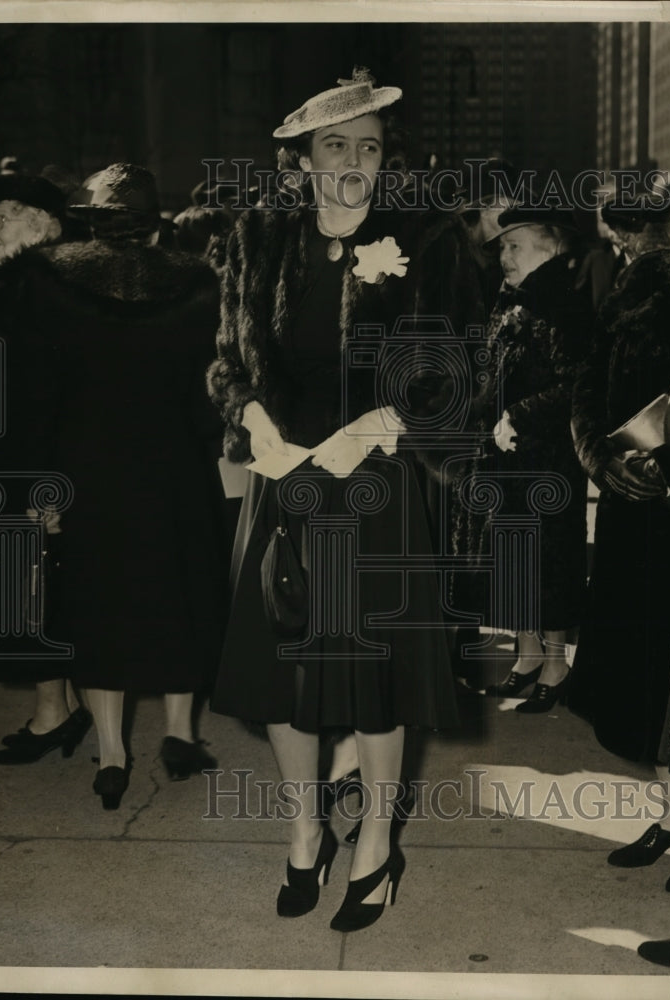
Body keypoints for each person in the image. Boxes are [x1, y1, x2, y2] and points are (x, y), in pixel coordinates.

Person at [207, 68, 473, 931]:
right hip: (282, 475)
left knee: (371, 671)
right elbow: (228, 353)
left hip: (377, 479)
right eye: (335, 147)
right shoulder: (257, 233)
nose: (353, 162)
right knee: (283, 671)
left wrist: (381, 422)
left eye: (367, 148)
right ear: (302, 160)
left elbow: (455, 360)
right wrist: (252, 422)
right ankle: (304, 832)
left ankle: (376, 845)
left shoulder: (425, 238)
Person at [0, 163, 227, 806]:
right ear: (153, 222)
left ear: (86, 219)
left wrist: (33, 488)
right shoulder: (201, 283)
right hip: (176, 472)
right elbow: (214, 390)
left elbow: (29, 399)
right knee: (179, 600)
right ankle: (180, 735)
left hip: (85, 470)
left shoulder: (42, 282)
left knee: (94, 607)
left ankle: (111, 754)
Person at [0, 173, 93, 762]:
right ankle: (60, 708)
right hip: (12, 465)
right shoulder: (21, 282)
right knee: (35, 590)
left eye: (3, 215)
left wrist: (46, 487)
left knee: (34, 592)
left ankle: (54, 713)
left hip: (28, 471)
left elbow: (53, 395)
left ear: (44, 223)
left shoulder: (40, 286)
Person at [444, 206, 593, 711]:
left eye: (516, 246)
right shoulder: (509, 301)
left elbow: (577, 384)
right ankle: (527, 657)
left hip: (545, 460)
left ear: (551, 248)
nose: (504, 255)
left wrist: (520, 416)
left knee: (547, 568)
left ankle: (555, 663)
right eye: (502, 246)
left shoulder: (565, 306)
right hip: (505, 460)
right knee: (515, 565)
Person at [568, 184, 670, 765]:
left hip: (665, 497)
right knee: (649, 661)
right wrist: (603, 458)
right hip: (632, 490)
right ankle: (669, 806)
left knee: (663, 660)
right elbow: (587, 386)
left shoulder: (651, 283)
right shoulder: (628, 287)